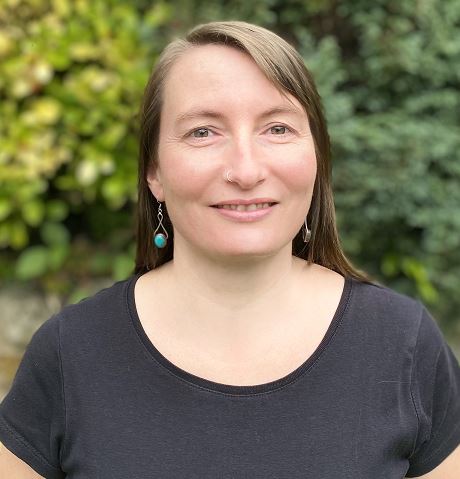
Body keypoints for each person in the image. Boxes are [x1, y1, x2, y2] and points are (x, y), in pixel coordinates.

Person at [0, 20, 459, 479]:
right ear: (154, 171)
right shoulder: (71, 352)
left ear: (316, 158)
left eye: (277, 128)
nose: (245, 169)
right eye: (203, 132)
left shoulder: (404, 344)